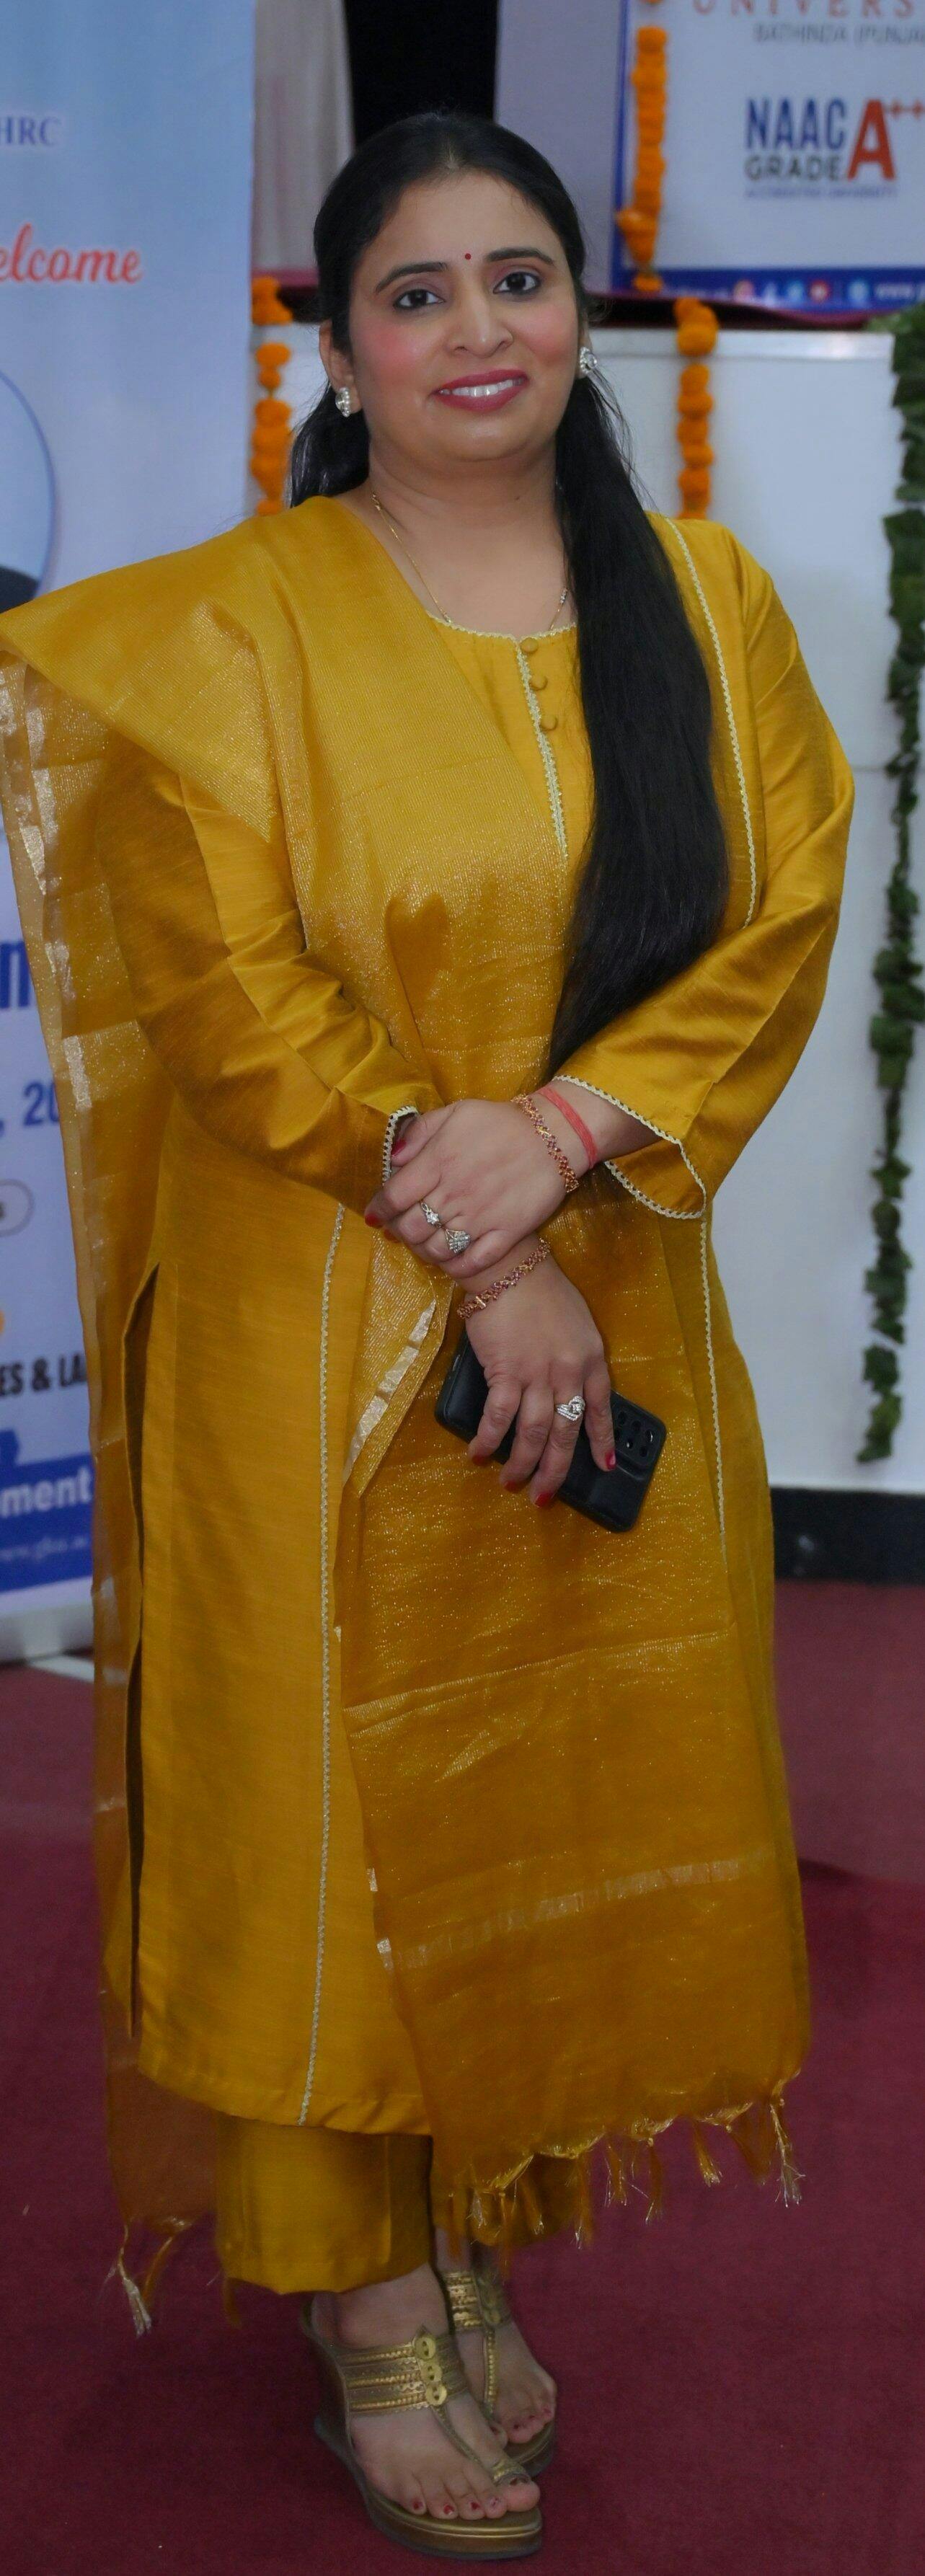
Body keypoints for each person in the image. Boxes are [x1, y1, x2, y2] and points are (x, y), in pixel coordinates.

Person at [0, 111, 854, 2562]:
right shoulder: (223, 629)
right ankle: (361, 2291)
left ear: (577, 309)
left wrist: (567, 1138)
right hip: (312, 1311)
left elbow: (777, 915)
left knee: (536, 1778)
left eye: (517, 279)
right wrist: (479, 1238)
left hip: (614, 1271)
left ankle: (461, 2210)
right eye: (416, 292)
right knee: (325, 1805)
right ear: (336, 343)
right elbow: (227, 996)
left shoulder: (700, 595)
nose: (478, 330)